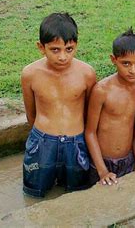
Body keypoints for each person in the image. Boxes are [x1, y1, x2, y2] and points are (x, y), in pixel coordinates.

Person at [21, 12, 97, 197]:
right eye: (55, 50)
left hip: (76, 143)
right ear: (41, 47)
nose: (63, 56)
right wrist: (40, 138)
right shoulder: (30, 74)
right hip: (42, 142)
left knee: (78, 192)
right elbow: (31, 113)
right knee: (34, 191)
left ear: (76, 46)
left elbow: (90, 112)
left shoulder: (87, 74)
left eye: (69, 49)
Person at [85, 28, 135, 186]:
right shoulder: (102, 90)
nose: (133, 70)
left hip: (129, 159)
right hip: (101, 161)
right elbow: (90, 132)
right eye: (126, 63)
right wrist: (102, 170)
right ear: (113, 60)